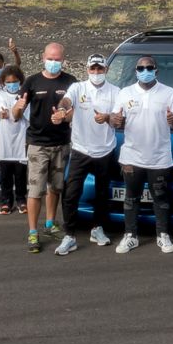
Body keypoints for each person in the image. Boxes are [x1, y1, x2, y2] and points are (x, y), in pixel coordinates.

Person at [110, 56, 173, 253]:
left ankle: (163, 235)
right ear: (136, 71)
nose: (145, 71)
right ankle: (130, 236)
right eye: (141, 68)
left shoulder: (169, 92)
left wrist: (172, 119)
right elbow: (117, 120)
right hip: (132, 157)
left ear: (156, 70)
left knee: (160, 197)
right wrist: (115, 120)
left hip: (159, 157)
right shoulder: (125, 93)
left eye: (149, 67)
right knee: (131, 197)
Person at [55, 54, 120, 256]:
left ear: (106, 70)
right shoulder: (78, 88)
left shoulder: (116, 91)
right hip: (81, 149)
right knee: (71, 192)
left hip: (105, 150)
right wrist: (61, 109)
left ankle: (97, 228)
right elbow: (66, 101)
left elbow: (118, 119)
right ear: (87, 70)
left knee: (102, 193)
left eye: (100, 69)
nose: (96, 72)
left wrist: (107, 117)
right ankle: (70, 235)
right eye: (93, 69)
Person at [21, 43, 75, 253]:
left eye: (58, 59)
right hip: (38, 145)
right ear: (43, 57)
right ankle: (33, 233)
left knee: (56, 187)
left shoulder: (71, 82)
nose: (54, 62)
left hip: (61, 143)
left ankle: (50, 224)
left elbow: (74, 112)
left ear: (64, 60)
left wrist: (64, 116)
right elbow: (18, 111)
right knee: (35, 190)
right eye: (50, 58)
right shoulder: (32, 81)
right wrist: (16, 109)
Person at [0, 66, 30, 215]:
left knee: (21, 173)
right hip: (5, 140)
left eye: (15, 81)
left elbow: (22, 116)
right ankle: (6, 201)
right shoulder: (0, 95)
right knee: (5, 173)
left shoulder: (25, 95)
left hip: (20, 139)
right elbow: (2, 113)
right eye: (8, 82)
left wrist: (12, 112)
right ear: (3, 82)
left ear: (20, 81)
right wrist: (5, 113)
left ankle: (21, 199)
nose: (12, 84)